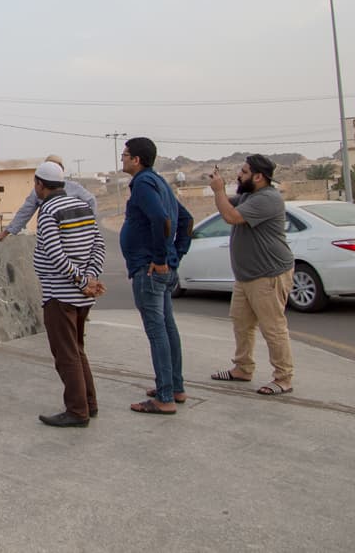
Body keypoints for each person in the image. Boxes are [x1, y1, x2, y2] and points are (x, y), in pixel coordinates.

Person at [208, 154, 295, 396]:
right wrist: (220, 189)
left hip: (268, 274)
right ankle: (242, 368)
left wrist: (218, 191)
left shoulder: (268, 199)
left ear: (259, 176)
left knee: (273, 328)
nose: (240, 175)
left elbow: (231, 216)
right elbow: (228, 203)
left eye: (244, 172)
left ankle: (283, 378)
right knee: (241, 323)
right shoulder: (249, 195)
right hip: (246, 276)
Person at [31, 161, 107, 427]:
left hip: (59, 294)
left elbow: (54, 252)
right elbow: (98, 244)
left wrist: (79, 279)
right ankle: (89, 402)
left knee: (66, 354)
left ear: (40, 184)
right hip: (81, 293)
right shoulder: (82, 205)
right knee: (77, 349)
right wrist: (90, 278)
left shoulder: (49, 210)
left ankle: (77, 410)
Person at [119, 137, 187, 416]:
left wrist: (160, 260)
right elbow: (186, 220)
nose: (121, 158)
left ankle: (165, 397)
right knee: (168, 328)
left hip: (149, 270)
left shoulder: (144, 184)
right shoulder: (159, 183)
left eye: (125, 155)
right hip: (161, 268)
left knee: (157, 332)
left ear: (136, 160)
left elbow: (161, 219)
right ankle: (175, 386)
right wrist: (175, 256)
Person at [0, 155, 97, 241]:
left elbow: (91, 202)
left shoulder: (74, 188)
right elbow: (25, 212)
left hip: (73, 237)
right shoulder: (40, 197)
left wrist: (87, 225)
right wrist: (6, 232)